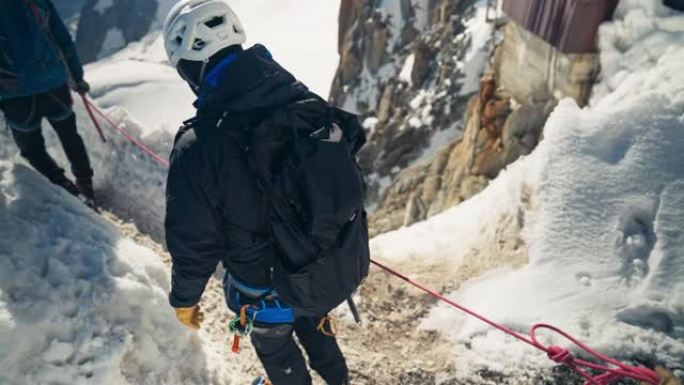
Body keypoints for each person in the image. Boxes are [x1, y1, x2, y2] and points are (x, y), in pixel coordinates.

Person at [163, 1, 367, 384]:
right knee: (315, 324)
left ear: (190, 67)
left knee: (277, 350)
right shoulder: (302, 100)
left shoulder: (199, 144)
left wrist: (184, 299)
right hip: (319, 261)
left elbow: (193, 240)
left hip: (262, 284)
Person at [0, 0, 95, 203]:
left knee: (32, 149)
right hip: (53, 84)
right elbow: (62, 38)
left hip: (15, 97)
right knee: (70, 136)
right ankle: (86, 186)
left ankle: (64, 187)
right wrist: (76, 77)